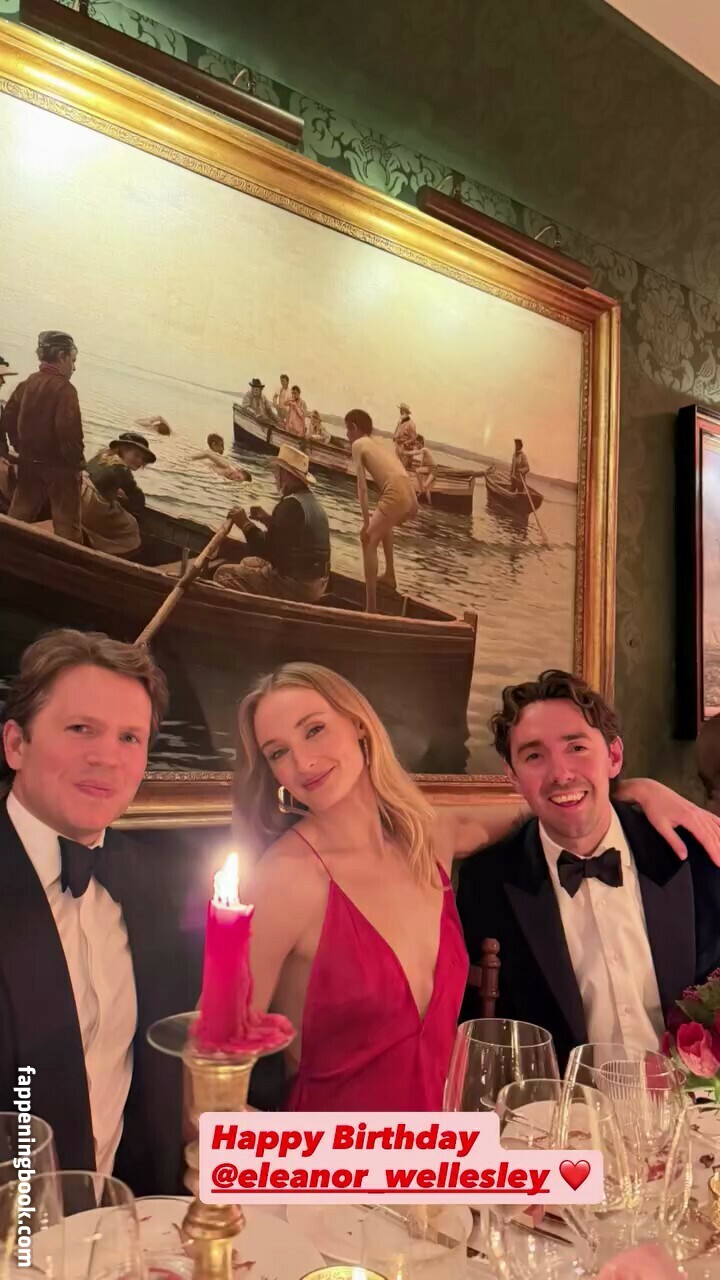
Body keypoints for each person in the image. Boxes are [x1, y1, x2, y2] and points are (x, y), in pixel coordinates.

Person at [234, 662, 720, 1112]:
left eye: (314, 730)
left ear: (358, 725)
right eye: (278, 752)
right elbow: (214, 1067)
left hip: (453, 1150)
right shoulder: (281, 879)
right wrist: (258, 1163)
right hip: (336, 1156)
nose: (303, 761)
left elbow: (548, 800)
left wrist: (633, 790)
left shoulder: (432, 839)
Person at [0, 628, 200, 1193]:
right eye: (81, 729)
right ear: (16, 745)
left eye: (129, 737)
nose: (106, 757)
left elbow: (166, 1080)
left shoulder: (158, 886)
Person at [457, 670, 720, 1070]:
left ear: (613, 757)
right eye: (534, 756)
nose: (561, 774)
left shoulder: (691, 853)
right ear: (512, 776)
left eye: (577, 747)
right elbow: (483, 1038)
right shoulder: (486, 882)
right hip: (565, 1105)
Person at [213, 444, 330, 602]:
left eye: (277, 471)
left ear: (285, 474)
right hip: (318, 584)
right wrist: (269, 520)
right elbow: (291, 538)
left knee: (222, 574)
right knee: (247, 563)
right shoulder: (311, 503)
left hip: (297, 586)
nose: (275, 476)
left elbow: (265, 550)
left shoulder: (290, 505)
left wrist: (244, 523)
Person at [2, 331, 84, 542]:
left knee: (19, 514)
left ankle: (6, 548)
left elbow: (7, 419)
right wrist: (77, 465)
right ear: (62, 357)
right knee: (67, 524)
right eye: (73, 360)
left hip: (29, 462)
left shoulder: (27, 383)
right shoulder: (66, 390)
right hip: (60, 468)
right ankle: (69, 559)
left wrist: (19, 447)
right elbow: (69, 434)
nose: (74, 368)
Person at [345, 408, 418, 612]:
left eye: (347, 430)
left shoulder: (358, 444)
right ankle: (390, 575)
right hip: (410, 496)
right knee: (385, 523)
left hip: (396, 492)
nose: (347, 436)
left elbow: (362, 488)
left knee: (368, 539)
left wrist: (365, 523)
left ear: (354, 427)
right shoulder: (381, 443)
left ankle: (371, 609)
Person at [81, 431, 156, 557]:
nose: (139, 461)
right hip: (92, 505)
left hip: (78, 494)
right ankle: (110, 553)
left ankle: (88, 537)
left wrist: (115, 491)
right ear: (123, 450)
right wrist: (136, 510)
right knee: (131, 525)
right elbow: (137, 497)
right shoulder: (122, 468)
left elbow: (97, 478)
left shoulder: (102, 455)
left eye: (142, 459)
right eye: (136, 455)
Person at [409, 434, 435, 499]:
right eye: (415, 444)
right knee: (426, 488)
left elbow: (416, 452)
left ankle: (420, 490)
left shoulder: (424, 449)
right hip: (429, 470)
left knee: (424, 485)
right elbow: (422, 464)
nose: (416, 445)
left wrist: (404, 452)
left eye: (417, 444)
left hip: (432, 470)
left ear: (421, 443)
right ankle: (429, 502)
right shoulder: (424, 456)